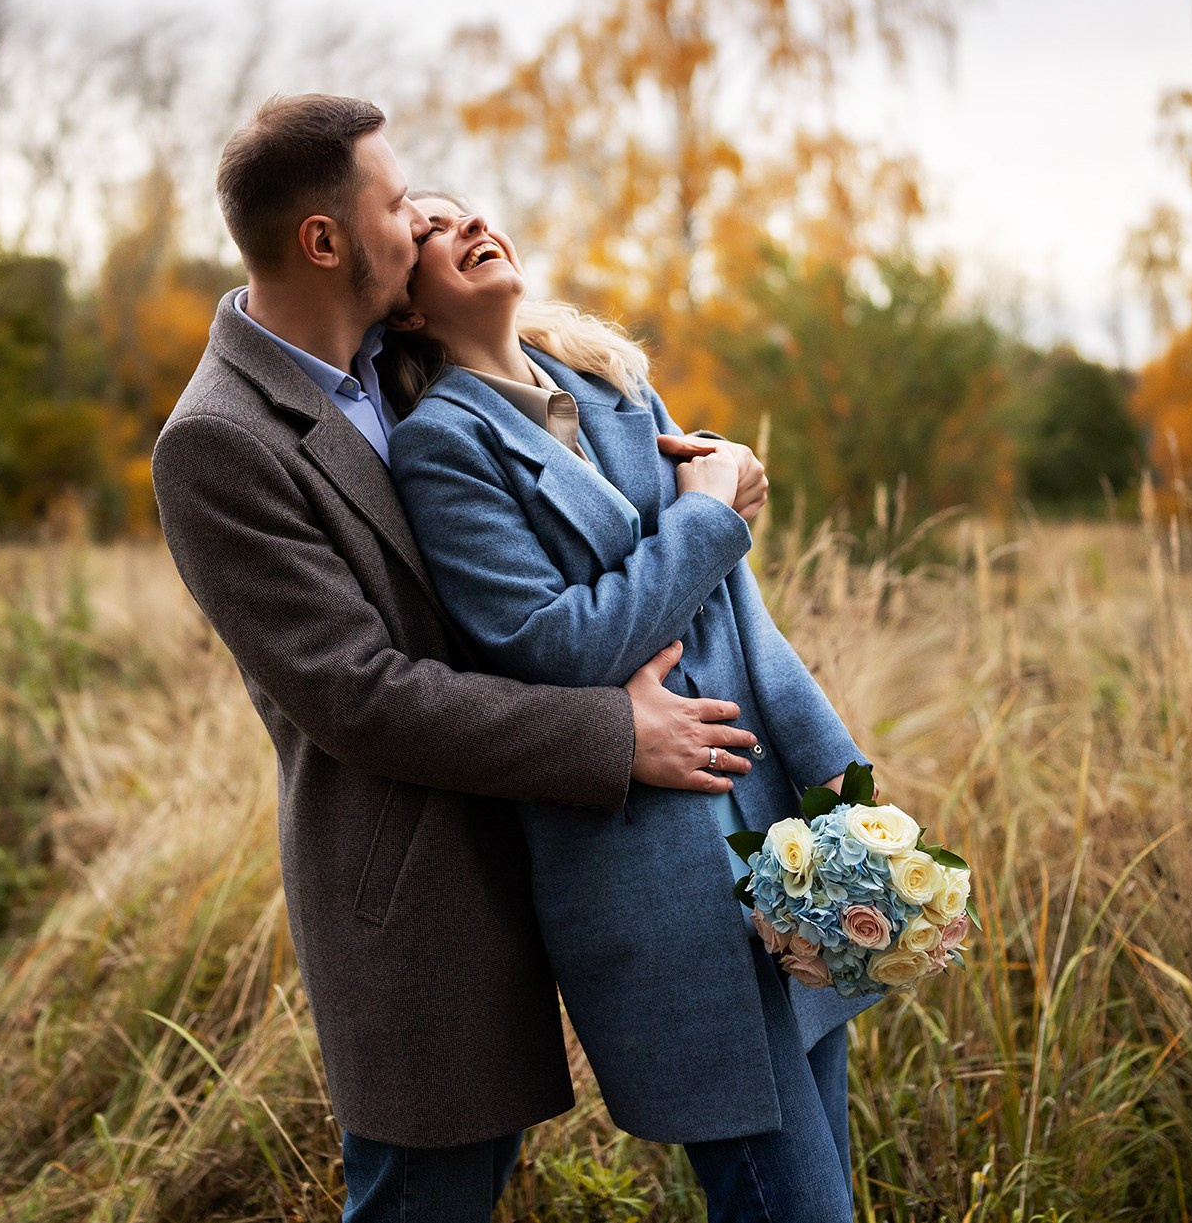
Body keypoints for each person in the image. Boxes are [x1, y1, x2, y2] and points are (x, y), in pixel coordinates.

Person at [149, 95, 767, 1223]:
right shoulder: (218, 441)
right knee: (427, 1194)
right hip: (422, 886)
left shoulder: (401, 363)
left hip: (566, 857)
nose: (424, 224)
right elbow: (359, 697)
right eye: (397, 206)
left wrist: (702, 474)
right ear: (325, 241)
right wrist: (613, 734)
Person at [384, 194, 878, 1223]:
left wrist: (838, 773)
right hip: (655, 878)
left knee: (828, 1171)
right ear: (406, 307)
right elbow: (555, 645)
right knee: (791, 1203)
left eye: (467, 209)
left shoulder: (613, 384)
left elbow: (738, 611)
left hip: (777, 826)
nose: (466, 223)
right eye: (428, 228)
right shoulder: (441, 447)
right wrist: (705, 514)